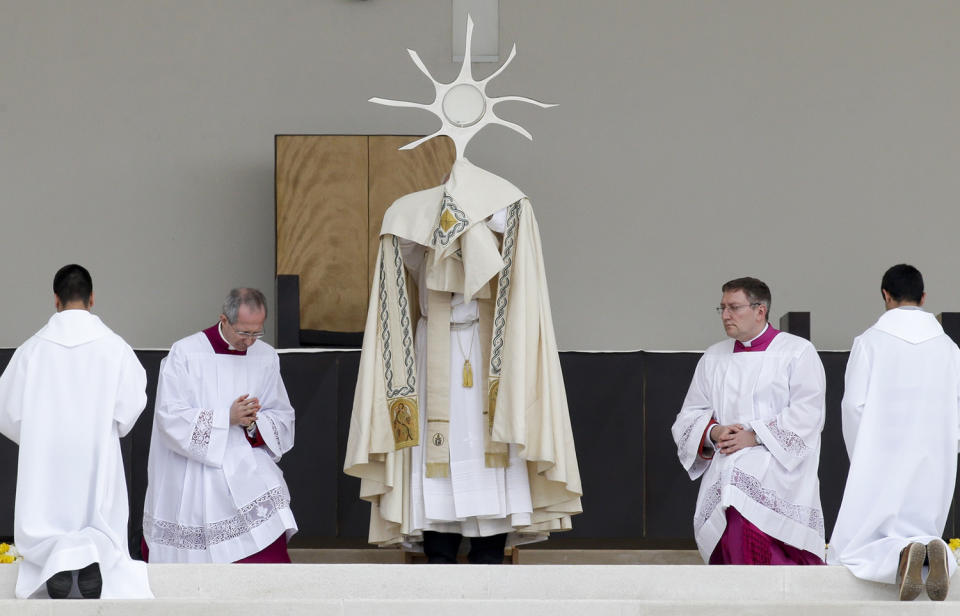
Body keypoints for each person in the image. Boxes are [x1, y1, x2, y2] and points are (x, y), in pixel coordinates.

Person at [344, 159, 582, 562]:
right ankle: (439, 559)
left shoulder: (498, 233)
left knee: (493, 462)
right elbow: (403, 240)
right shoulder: (423, 239)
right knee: (438, 474)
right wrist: (431, 208)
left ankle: (488, 560)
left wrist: (481, 200)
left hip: (490, 355)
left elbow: (514, 219)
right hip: (433, 354)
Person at [0, 264, 151, 599]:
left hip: (48, 455)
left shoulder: (31, 351)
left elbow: (6, 410)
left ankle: (55, 561)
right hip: (96, 451)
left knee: (48, 509)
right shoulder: (115, 348)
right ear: (92, 298)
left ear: (55, 300)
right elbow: (130, 408)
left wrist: (37, 437)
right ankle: (90, 559)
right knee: (96, 510)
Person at [671, 277, 826, 565]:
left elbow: (808, 413)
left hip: (778, 466)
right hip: (727, 462)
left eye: (733, 307)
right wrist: (715, 431)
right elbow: (689, 414)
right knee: (731, 512)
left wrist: (754, 436)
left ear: (760, 310)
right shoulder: (714, 357)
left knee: (748, 519)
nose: (726, 316)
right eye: (722, 309)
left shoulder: (796, 351)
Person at [827, 264, 960, 601]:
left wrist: (862, 455)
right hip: (934, 454)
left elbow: (854, 406)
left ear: (885, 295)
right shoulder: (949, 349)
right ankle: (933, 552)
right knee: (921, 520)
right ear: (924, 297)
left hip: (881, 454)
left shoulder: (870, 342)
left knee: (861, 542)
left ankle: (902, 556)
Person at [142, 288, 297, 563]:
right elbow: (170, 416)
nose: (249, 341)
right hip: (197, 463)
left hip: (244, 458)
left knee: (272, 513)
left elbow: (282, 414)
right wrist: (226, 418)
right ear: (223, 320)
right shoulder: (187, 353)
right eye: (243, 332)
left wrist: (254, 423)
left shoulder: (266, 356)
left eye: (256, 333)